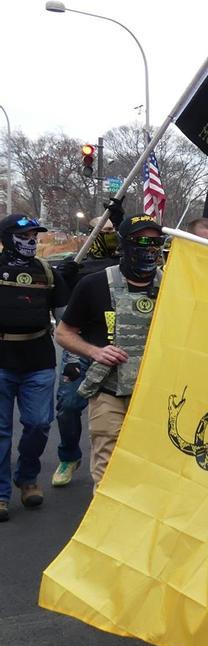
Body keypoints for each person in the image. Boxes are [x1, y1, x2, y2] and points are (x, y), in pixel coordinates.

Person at [54, 214, 164, 488]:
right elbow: (63, 332)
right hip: (109, 391)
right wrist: (94, 351)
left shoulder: (174, 285)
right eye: (140, 240)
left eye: (155, 241)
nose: (149, 247)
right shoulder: (94, 284)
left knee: (149, 473)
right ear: (124, 244)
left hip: (155, 394)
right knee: (108, 474)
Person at [0, 215, 70, 521]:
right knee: (1, 432)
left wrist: (70, 279)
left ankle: (27, 477)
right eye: (25, 235)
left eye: (34, 235)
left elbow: (66, 318)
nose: (32, 240)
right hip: (1, 360)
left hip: (39, 360)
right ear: (8, 237)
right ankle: (1, 494)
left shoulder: (46, 272)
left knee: (40, 423)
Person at [50, 208, 123, 488]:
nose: (107, 236)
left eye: (111, 231)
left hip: (118, 348)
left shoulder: (128, 262)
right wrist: (63, 278)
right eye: (100, 231)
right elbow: (60, 304)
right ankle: (69, 456)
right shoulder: (76, 264)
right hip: (82, 348)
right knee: (68, 405)